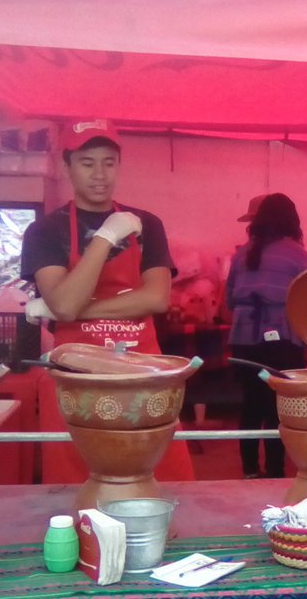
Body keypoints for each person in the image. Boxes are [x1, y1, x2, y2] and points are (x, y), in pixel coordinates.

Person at [20, 118, 195, 483]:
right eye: (87, 163)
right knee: (75, 484)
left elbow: (156, 298)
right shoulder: (45, 231)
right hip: (75, 379)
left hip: (140, 373)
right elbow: (65, 305)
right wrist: (105, 238)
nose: (99, 174)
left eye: (109, 163)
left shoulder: (146, 224)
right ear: (66, 167)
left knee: (155, 477)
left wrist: (67, 307)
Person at [225, 193, 307, 478]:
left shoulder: (242, 253)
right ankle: (274, 471)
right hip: (282, 339)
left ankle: (250, 470)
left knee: (250, 404)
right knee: (278, 407)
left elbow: (229, 300)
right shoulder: (297, 254)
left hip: (244, 338)